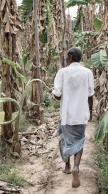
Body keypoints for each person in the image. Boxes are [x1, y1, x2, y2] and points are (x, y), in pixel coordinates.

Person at [52, 47, 94, 188]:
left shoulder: (62, 72)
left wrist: (55, 92)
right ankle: (76, 166)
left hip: (66, 115)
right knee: (79, 140)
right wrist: (90, 110)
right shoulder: (87, 72)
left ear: (70, 57)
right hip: (81, 114)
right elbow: (90, 95)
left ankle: (68, 166)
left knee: (65, 138)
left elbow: (57, 96)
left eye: (66, 56)